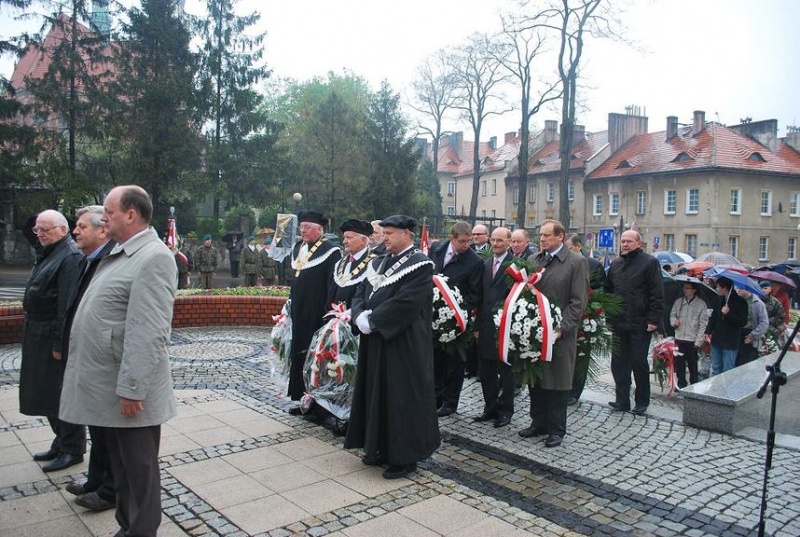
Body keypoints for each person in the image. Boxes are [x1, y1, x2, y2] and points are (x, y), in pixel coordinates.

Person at [60, 185, 178, 537]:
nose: (103, 218)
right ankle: (128, 527)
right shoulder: (123, 252)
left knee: (139, 470)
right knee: (124, 467)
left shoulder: (153, 256)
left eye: (109, 212)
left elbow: (149, 330)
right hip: (111, 383)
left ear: (131, 214)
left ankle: (140, 531)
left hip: (130, 391)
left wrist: (132, 387)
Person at [345, 215, 440, 480]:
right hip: (376, 341)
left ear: (407, 234)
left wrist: (373, 320)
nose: (383, 237)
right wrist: (359, 315)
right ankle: (378, 447)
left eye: (389, 233)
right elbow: (360, 293)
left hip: (403, 343)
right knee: (377, 393)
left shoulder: (420, 265)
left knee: (400, 397)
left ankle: (404, 457)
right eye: (383, 233)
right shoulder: (378, 262)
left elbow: (406, 303)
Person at [62, 205, 117, 511]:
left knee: (108, 430)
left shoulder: (110, 260)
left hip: (104, 358)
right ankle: (97, 479)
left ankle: (110, 488)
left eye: (82, 226)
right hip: (89, 353)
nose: (76, 231)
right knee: (96, 426)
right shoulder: (89, 260)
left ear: (102, 230)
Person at [20, 209, 83, 472]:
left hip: (51, 333)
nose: (40, 234)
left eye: (46, 229)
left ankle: (72, 447)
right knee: (44, 392)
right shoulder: (50, 250)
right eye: (38, 229)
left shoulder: (69, 256)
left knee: (58, 394)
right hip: (37, 331)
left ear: (63, 229)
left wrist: (59, 344)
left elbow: (65, 306)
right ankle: (60, 441)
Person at [519, 220, 589, 448]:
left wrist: (561, 328)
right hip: (535, 331)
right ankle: (538, 423)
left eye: (547, 236)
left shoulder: (576, 262)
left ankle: (556, 429)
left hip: (560, 334)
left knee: (557, 381)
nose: (542, 239)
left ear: (560, 237)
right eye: (540, 235)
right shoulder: (534, 260)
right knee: (536, 378)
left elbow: (578, 301)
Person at [605, 230, 664, 415]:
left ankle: (642, 401)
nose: (624, 244)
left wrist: (653, 319)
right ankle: (621, 401)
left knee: (639, 362)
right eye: (622, 241)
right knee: (618, 363)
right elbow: (609, 292)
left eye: (629, 241)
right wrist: (609, 317)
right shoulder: (616, 264)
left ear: (639, 243)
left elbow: (657, 293)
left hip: (640, 322)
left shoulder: (649, 263)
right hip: (619, 321)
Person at [429, 220, 483, 417]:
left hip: (458, 322)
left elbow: (475, 294)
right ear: (452, 238)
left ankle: (450, 402)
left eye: (469, 241)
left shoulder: (474, 261)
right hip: (434, 317)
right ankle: (435, 398)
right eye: (462, 241)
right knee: (435, 360)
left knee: (454, 364)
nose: (466, 245)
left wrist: (456, 312)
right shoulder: (436, 249)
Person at [287, 211, 341, 407]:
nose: (302, 230)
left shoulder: (331, 251)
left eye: (307, 227)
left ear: (320, 229)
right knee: (299, 354)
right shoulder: (298, 247)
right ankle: (300, 397)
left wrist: (328, 313)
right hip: (299, 312)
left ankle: (317, 402)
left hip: (317, 313)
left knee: (316, 358)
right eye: (301, 227)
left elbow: (332, 285)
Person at [474, 227, 517, 428]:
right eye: (493, 240)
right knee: (486, 371)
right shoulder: (485, 264)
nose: (495, 244)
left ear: (509, 241)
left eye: (500, 240)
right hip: (485, 325)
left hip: (505, 326)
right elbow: (481, 297)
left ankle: (505, 410)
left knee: (507, 372)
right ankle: (490, 407)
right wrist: (477, 325)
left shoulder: (516, 265)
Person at [565, 233, 607, 404]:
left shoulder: (593, 265)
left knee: (581, 354)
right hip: (566, 313)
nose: (566, 251)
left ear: (578, 247)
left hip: (587, 316)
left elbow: (602, 289)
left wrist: (592, 303)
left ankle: (575, 392)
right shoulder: (563, 262)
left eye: (568, 248)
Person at [703, 277, 748, 375]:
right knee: (716, 368)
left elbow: (742, 322)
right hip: (717, 339)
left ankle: (726, 389)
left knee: (728, 370)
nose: (717, 289)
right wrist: (707, 331)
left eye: (718, 287)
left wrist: (729, 314)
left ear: (725, 287)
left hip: (730, 341)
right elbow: (713, 317)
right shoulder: (719, 299)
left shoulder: (740, 302)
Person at [669, 282, 710, 388]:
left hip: (692, 339)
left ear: (694, 290)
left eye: (688, 288)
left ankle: (694, 383)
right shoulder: (679, 302)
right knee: (679, 363)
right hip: (679, 337)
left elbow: (703, 324)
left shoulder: (701, 304)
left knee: (692, 364)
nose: (685, 290)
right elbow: (672, 315)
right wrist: (674, 322)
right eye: (684, 288)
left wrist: (699, 340)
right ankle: (681, 384)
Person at [328, 219, 374, 306]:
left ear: (363, 240)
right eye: (344, 237)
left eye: (349, 237)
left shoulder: (374, 264)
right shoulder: (340, 263)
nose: (344, 241)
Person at [736, 288, 768, 366]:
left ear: (748, 289)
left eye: (741, 288)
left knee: (747, 364)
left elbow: (764, 323)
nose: (738, 290)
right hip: (736, 334)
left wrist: (753, 335)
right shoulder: (737, 301)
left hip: (750, 335)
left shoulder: (758, 303)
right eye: (737, 288)